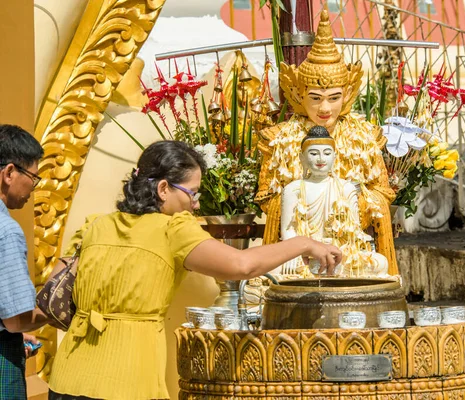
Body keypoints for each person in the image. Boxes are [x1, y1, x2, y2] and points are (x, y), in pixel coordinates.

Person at [47, 140, 341, 400]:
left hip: (67, 376)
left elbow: (51, 289)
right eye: (193, 193)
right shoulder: (173, 229)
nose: (195, 204)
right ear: (163, 189)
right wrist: (303, 243)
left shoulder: (96, 224)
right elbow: (241, 266)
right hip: (126, 380)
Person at [256, 9, 399, 275]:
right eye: (315, 98)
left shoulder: (364, 137)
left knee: (378, 264)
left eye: (334, 98)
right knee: (280, 270)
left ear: (347, 94)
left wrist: (350, 199)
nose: (325, 108)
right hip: (299, 250)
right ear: (299, 94)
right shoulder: (279, 139)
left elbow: (383, 193)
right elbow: (267, 197)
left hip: (349, 244)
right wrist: (299, 193)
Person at [280, 126, 388, 278]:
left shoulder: (346, 188)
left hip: (339, 255)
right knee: (273, 268)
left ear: (335, 157)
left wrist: (349, 248)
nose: (320, 159)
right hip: (304, 257)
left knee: (380, 262)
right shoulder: (293, 189)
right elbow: (288, 230)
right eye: (313, 153)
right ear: (301, 158)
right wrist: (294, 253)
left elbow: (354, 230)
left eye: (327, 153)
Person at [0, 124, 47, 400]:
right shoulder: (6, 230)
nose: (34, 187)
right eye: (33, 176)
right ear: (9, 173)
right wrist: (56, 311)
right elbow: (16, 320)